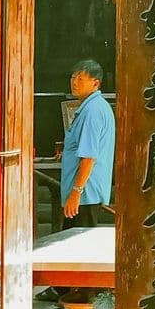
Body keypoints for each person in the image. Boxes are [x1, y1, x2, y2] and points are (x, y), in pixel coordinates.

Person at [61, 58, 115, 227]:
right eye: (73, 77)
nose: (74, 83)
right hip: (86, 194)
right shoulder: (94, 106)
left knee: (79, 241)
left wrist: (76, 193)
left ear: (95, 83)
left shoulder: (92, 111)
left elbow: (89, 156)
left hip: (85, 195)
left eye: (81, 79)